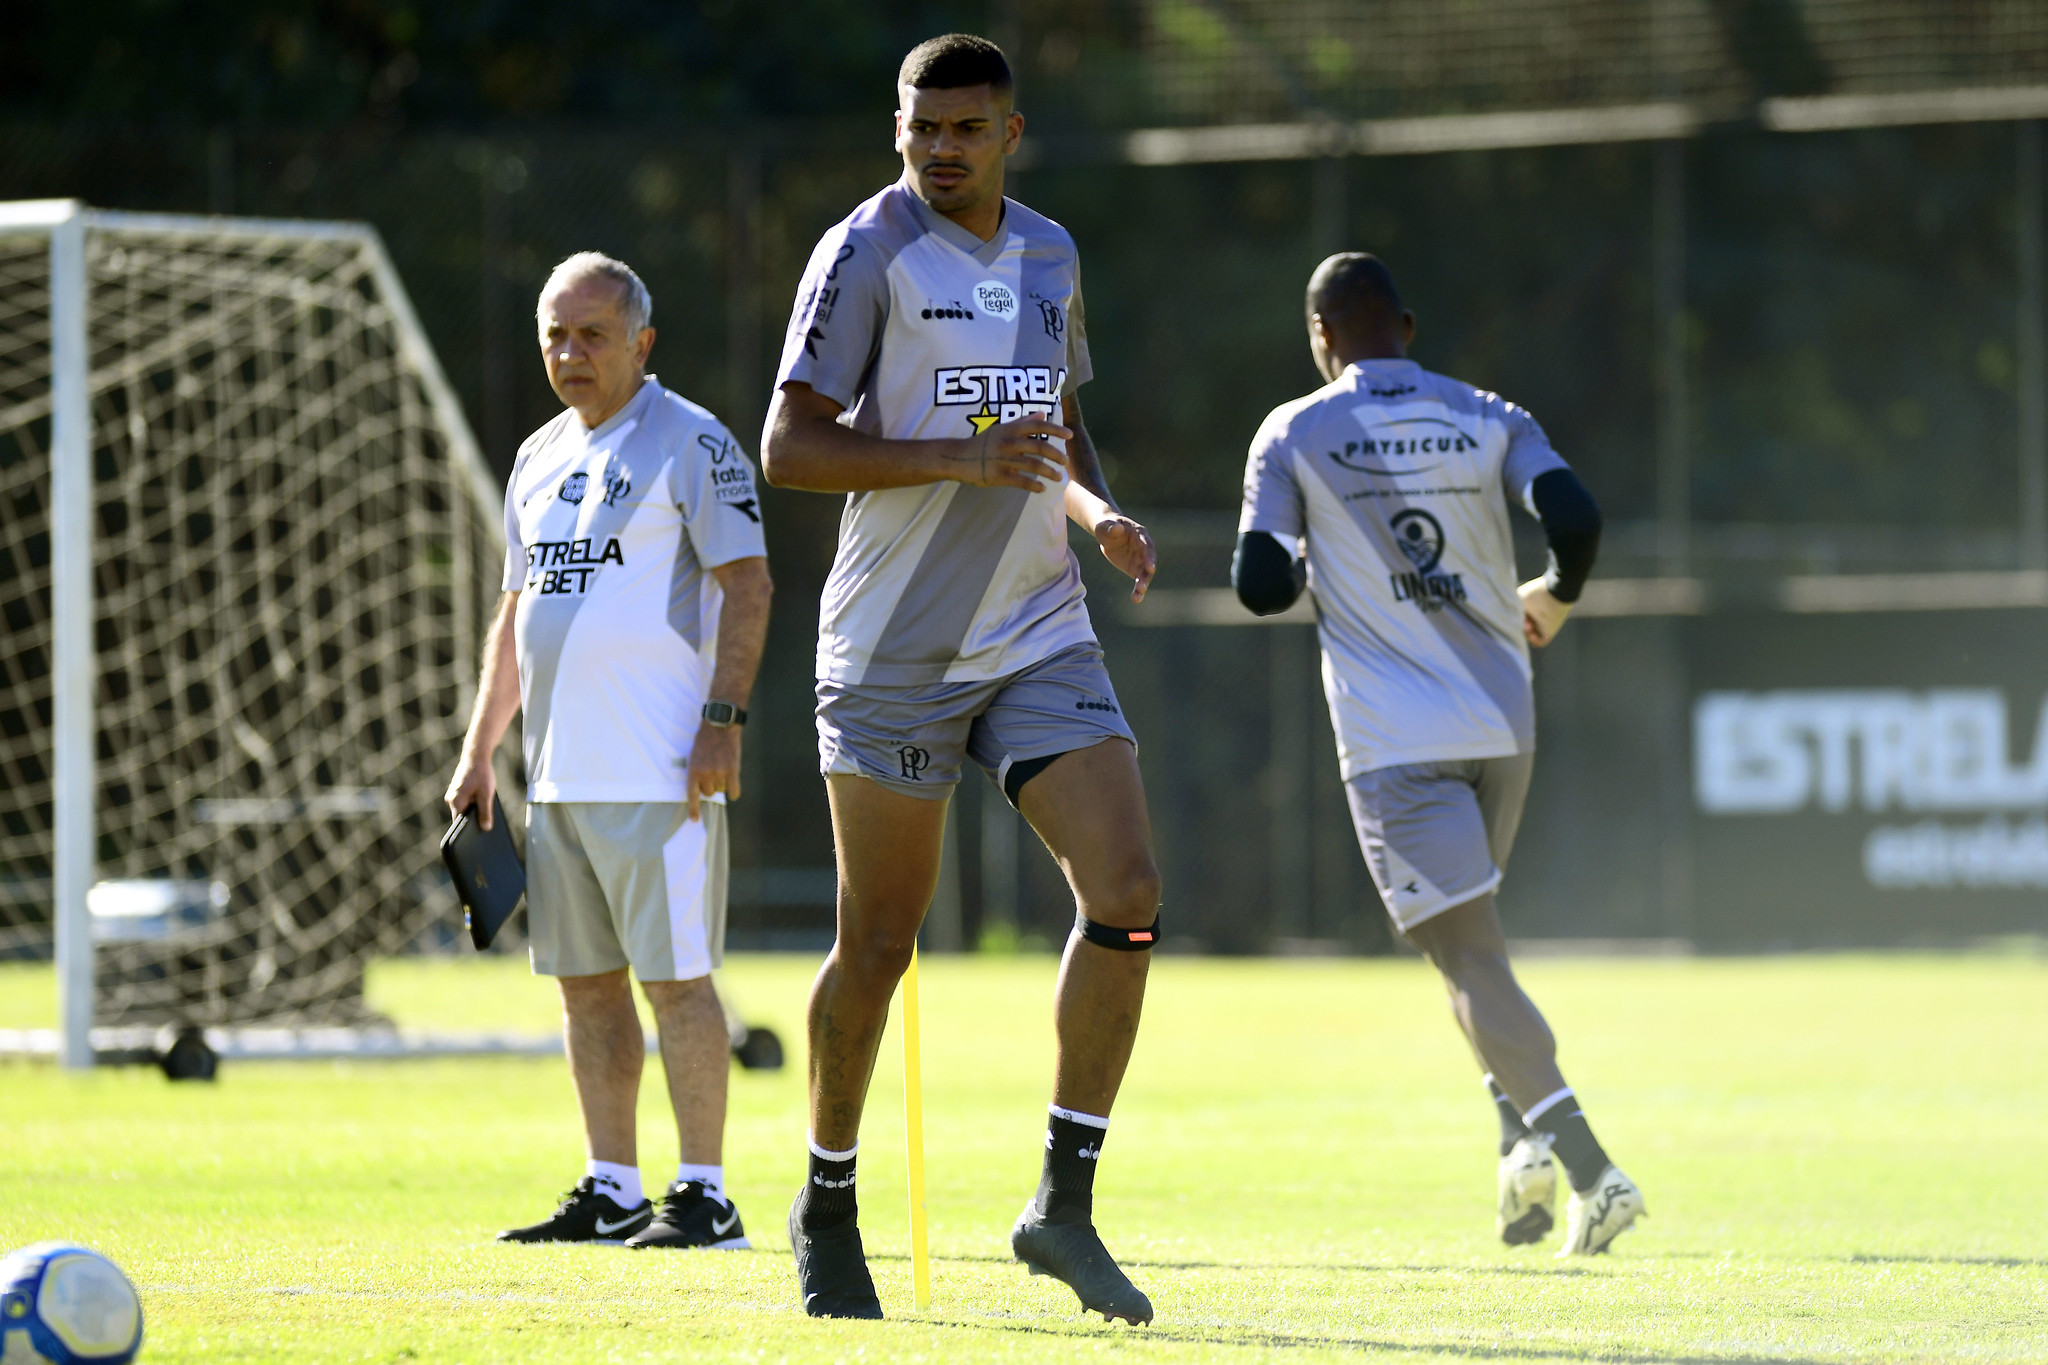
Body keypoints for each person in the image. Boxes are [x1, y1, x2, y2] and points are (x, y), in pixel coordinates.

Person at [761, 33, 1162, 1324]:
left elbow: (1055, 419)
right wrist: (957, 457)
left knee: (1132, 895)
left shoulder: (1052, 251)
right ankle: (827, 1202)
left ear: (1011, 132)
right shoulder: (864, 251)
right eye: (919, 129)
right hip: (892, 650)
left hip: (1039, 628)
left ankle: (1063, 1204)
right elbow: (789, 444)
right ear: (899, 131)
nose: (940, 151)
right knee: (878, 941)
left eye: (965, 131)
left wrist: (1097, 511)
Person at [1233, 252, 1645, 1256]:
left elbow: (1256, 584)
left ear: (1319, 335)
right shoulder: (1488, 412)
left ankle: (1591, 1171)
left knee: (1464, 959)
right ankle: (1521, 1153)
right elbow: (1575, 518)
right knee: (1474, 956)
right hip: (1502, 725)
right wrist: (1553, 592)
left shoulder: (1293, 431)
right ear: (1404, 328)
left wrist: (1300, 559)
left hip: (1393, 743)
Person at [444, 251, 773, 1252]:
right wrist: (478, 749)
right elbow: (515, 618)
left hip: (661, 772)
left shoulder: (694, 443)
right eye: (554, 333)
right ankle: (610, 1184)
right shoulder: (537, 457)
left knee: (675, 983)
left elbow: (750, 587)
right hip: (557, 781)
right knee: (585, 987)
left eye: (591, 334)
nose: (569, 351)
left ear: (643, 342)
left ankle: (705, 1194)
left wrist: (722, 722)